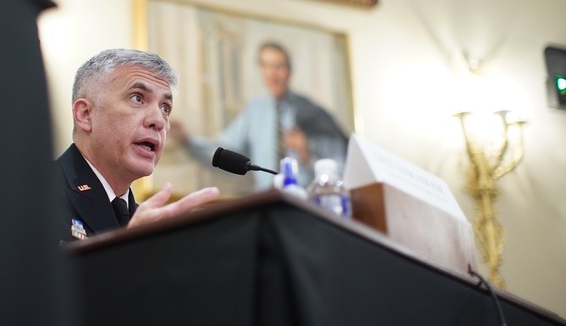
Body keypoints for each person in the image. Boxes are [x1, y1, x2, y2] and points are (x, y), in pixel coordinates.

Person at [56, 48, 220, 241]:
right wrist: (130, 253)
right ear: (85, 114)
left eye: (165, 108)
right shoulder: (33, 191)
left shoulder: (146, 223)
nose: (158, 121)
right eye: (138, 98)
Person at [170, 41, 348, 189]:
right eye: (266, 66)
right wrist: (188, 141)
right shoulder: (255, 111)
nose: (272, 74)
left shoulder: (311, 111)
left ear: (289, 71)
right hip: (266, 201)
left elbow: (340, 165)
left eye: (279, 66)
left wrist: (306, 152)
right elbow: (225, 151)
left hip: (306, 202)